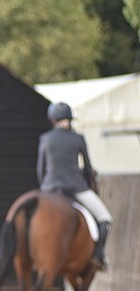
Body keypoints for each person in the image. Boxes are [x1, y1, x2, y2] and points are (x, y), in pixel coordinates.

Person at [38, 101, 112, 270]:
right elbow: (87, 168)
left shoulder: (45, 139)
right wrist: (87, 181)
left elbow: (40, 170)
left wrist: (45, 187)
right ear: (70, 119)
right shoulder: (78, 138)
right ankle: (98, 256)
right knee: (105, 218)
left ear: (53, 120)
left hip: (49, 189)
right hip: (76, 188)